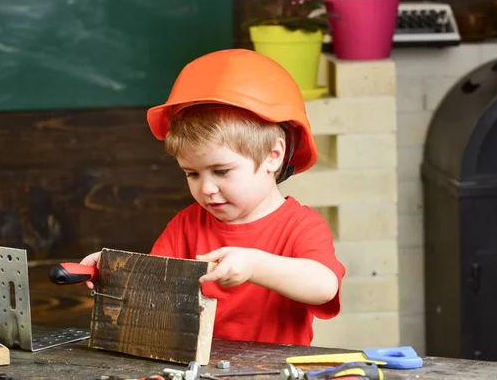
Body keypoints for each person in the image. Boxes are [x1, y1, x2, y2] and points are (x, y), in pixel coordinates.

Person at [80, 49, 345, 346]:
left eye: (221, 171)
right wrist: (115, 270)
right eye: (192, 174)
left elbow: (324, 287)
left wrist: (255, 266)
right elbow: (153, 287)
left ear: (274, 155)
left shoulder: (300, 226)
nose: (206, 188)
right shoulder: (187, 225)